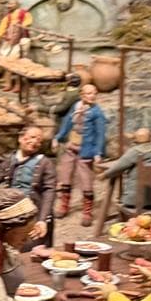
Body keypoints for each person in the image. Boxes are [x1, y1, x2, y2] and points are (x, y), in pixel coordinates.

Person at [0, 124, 57, 229]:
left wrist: (43, 219)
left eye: (39, 141)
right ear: (21, 138)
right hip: (13, 209)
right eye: (32, 137)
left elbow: (49, 191)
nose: (35, 142)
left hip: (34, 211)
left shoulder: (44, 163)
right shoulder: (12, 159)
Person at [55, 82, 107, 222]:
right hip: (71, 147)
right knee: (65, 176)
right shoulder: (76, 107)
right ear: (82, 95)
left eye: (94, 93)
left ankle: (87, 212)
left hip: (86, 150)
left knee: (86, 181)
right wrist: (58, 137)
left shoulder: (97, 113)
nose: (92, 96)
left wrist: (98, 152)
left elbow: (100, 134)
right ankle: (64, 205)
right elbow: (67, 123)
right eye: (89, 93)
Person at [100, 126, 151, 217]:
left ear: (136, 140)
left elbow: (118, 167)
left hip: (134, 201)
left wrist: (105, 174)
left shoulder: (133, 152)